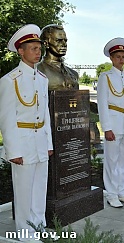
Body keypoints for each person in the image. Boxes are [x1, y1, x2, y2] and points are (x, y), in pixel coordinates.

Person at [0, 24, 53, 241]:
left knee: (40, 188)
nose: (38, 52)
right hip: (22, 142)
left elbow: (45, 115)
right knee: (23, 191)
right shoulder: (9, 80)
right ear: (21, 51)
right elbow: (6, 118)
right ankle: (24, 231)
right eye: (33, 48)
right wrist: (13, 149)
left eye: (39, 48)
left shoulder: (42, 79)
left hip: (40, 141)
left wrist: (49, 144)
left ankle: (38, 225)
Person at [97, 37, 124, 208]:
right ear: (111, 58)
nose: (121, 60)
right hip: (113, 125)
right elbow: (102, 104)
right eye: (117, 57)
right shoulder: (105, 77)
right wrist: (106, 128)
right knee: (111, 160)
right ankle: (111, 193)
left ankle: (122, 191)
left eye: (123, 56)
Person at [38, 24, 79, 90]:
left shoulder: (74, 74)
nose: (64, 44)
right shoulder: (37, 71)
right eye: (58, 40)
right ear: (46, 43)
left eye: (65, 40)